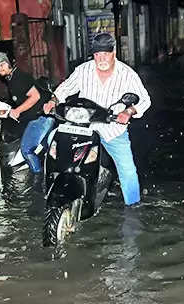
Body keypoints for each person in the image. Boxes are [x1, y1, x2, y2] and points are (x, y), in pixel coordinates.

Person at [43, 32, 151, 206]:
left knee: (128, 170)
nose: (101, 58)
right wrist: (53, 100)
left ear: (113, 53)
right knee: (52, 141)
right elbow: (65, 88)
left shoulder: (126, 74)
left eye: (105, 54)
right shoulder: (83, 70)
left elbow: (145, 99)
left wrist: (129, 111)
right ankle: (53, 192)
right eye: (97, 54)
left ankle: (133, 208)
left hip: (112, 129)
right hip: (83, 126)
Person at [0, 52, 55, 173]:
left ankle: (38, 179)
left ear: (9, 63)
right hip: (32, 117)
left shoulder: (19, 77)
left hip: (41, 117)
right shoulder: (11, 78)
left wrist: (17, 111)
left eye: (2, 64)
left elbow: (35, 96)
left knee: (27, 150)